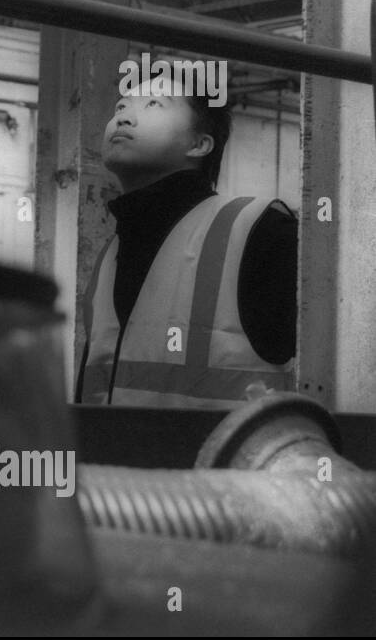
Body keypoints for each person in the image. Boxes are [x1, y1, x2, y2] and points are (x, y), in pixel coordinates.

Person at [74, 85, 297, 408]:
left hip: (226, 457)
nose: (123, 119)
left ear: (199, 144)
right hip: (113, 459)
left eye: (153, 104)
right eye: (121, 106)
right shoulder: (109, 255)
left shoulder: (260, 232)